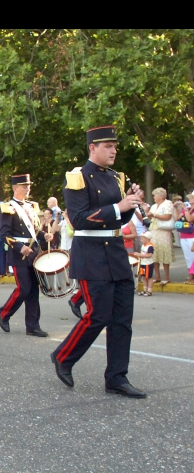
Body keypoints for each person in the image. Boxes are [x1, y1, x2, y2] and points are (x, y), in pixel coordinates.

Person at [51, 125, 147, 399]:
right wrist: (119, 206)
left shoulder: (115, 178)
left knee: (122, 320)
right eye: (108, 146)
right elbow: (79, 218)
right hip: (92, 253)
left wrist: (130, 203)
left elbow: (118, 220)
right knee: (98, 315)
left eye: (115, 146)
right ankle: (63, 356)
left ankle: (117, 377)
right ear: (93, 148)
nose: (114, 150)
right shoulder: (78, 177)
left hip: (115, 252)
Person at [0, 174, 54, 337]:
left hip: (33, 252)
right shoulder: (8, 208)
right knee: (23, 288)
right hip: (19, 254)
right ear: (15, 188)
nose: (28, 189)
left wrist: (45, 236)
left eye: (28, 186)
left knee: (33, 290)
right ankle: (4, 313)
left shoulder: (31, 206)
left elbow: (35, 231)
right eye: (24, 186)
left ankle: (33, 326)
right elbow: (4, 234)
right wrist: (20, 247)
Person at [146, 188, 176, 286]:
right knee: (155, 253)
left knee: (165, 253)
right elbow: (150, 216)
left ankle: (167, 277)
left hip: (164, 231)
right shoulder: (154, 206)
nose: (154, 197)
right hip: (154, 231)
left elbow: (168, 216)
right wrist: (149, 214)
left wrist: (154, 215)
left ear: (161, 196)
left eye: (155, 195)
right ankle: (157, 276)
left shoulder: (168, 203)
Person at [175, 194, 194, 282]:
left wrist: (185, 209)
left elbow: (190, 219)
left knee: (193, 256)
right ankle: (190, 274)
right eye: (190, 197)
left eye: (192, 197)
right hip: (184, 235)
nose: (190, 199)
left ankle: (191, 276)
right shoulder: (188, 208)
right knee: (187, 257)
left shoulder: (188, 209)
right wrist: (175, 208)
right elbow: (176, 218)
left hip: (192, 235)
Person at [133, 231, 156, 297]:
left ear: (147, 239)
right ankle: (145, 289)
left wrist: (139, 255)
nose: (141, 240)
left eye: (143, 239)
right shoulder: (143, 246)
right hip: (143, 263)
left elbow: (150, 255)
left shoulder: (150, 246)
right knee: (143, 277)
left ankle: (149, 290)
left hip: (148, 264)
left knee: (149, 277)